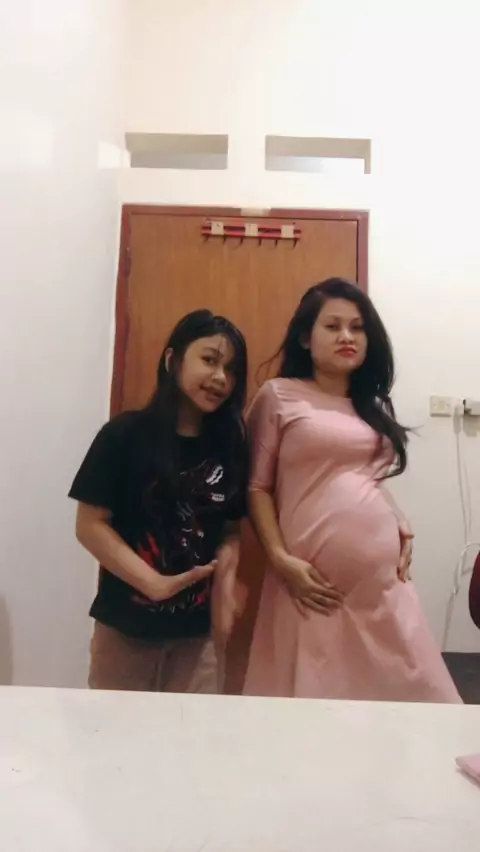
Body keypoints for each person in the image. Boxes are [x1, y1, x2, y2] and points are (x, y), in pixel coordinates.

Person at [244, 279, 461, 703]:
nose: (347, 336)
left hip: (381, 584)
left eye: (357, 327)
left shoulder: (372, 406)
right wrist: (280, 559)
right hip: (309, 585)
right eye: (333, 326)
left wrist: (397, 516)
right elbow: (256, 487)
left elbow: (364, 477)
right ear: (305, 337)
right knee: (314, 705)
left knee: (418, 699)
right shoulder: (279, 396)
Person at [69, 310, 248, 693]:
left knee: (193, 730)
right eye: (210, 360)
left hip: (197, 639)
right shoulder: (123, 435)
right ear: (172, 360)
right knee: (114, 730)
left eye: (232, 369)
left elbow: (230, 530)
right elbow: (89, 525)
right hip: (126, 631)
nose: (221, 377)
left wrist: (226, 587)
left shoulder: (230, 447)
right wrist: (152, 583)